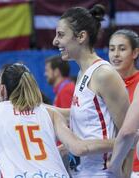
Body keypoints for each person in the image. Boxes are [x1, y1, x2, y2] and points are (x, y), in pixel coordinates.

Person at [52, 4, 130, 177]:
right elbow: (87, 121)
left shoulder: (104, 74)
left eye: (61, 35)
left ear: (81, 37)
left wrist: (123, 172)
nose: (55, 41)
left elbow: (130, 133)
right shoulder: (82, 73)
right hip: (82, 172)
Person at [107, 29, 139, 177]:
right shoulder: (104, 85)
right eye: (112, 49)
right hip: (112, 165)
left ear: (135, 53)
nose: (116, 54)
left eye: (122, 48)